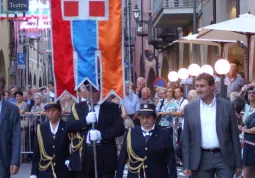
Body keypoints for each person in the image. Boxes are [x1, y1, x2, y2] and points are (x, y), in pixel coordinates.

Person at [182, 73, 242, 178]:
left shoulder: (227, 105)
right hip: (200, 158)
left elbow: (234, 135)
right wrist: (186, 164)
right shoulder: (189, 108)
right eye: (197, 86)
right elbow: (186, 138)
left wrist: (238, 163)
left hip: (224, 157)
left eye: (202, 86)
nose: (199, 89)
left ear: (212, 86)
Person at [67, 81, 125, 178]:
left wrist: (101, 135)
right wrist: (85, 121)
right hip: (84, 156)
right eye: (88, 90)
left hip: (105, 155)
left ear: (100, 92)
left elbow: (119, 128)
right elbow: (69, 126)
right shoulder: (78, 107)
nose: (91, 93)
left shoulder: (111, 107)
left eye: (94, 90)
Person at [116, 103, 177, 178]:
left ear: (154, 118)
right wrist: (119, 175)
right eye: (142, 117)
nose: (145, 120)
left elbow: (171, 159)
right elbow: (123, 157)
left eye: (148, 117)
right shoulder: (131, 133)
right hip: (136, 175)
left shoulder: (163, 134)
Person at [30, 101, 71, 178]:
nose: (50, 113)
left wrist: (70, 159)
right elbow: (37, 151)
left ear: (59, 111)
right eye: (48, 111)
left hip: (63, 169)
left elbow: (72, 147)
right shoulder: (41, 128)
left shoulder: (66, 126)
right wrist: (33, 173)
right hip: (45, 169)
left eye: (53, 110)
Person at [0, 76, 21, 177]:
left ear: (2, 89)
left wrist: (15, 161)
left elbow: (16, 136)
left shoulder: (12, 109)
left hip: (4, 160)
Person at [238, 86, 255, 177]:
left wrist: (244, 129)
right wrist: (242, 90)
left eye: (254, 93)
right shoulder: (246, 107)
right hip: (245, 141)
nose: (251, 94)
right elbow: (235, 101)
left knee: (251, 168)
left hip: (253, 141)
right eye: (249, 92)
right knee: (244, 165)